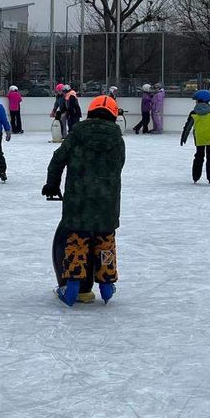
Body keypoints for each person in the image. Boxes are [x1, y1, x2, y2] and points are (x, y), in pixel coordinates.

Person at [42, 94, 125, 307]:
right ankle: (106, 287)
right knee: (105, 242)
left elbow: (58, 159)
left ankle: (71, 288)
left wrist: (52, 184)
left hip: (78, 203)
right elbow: (119, 166)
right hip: (107, 204)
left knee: (77, 242)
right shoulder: (117, 139)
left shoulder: (77, 134)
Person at [180, 89, 210, 184]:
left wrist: (183, 137)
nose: (196, 102)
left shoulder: (193, 112)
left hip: (199, 138)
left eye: (196, 100)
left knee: (199, 156)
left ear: (200, 100)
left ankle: (196, 176)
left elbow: (188, 126)